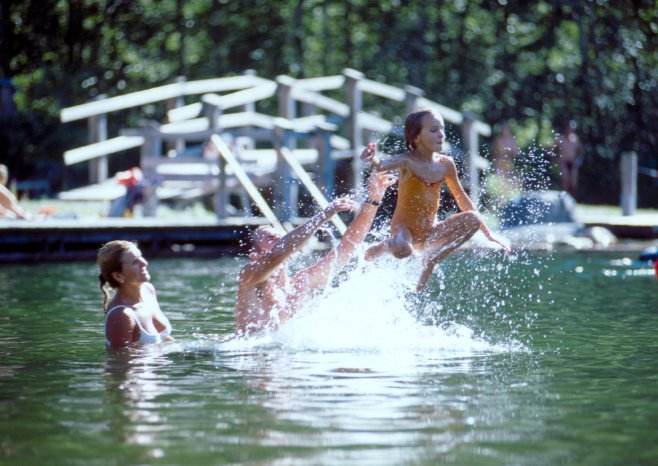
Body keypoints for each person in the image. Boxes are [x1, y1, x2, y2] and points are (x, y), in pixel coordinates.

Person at [361, 108, 509, 291]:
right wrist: (370, 159)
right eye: (433, 130)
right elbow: (380, 165)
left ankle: (431, 260)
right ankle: (384, 246)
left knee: (474, 219)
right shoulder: (407, 161)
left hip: (431, 232)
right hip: (404, 231)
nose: (441, 134)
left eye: (442, 129)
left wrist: (488, 234)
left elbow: (461, 197)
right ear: (416, 138)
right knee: (403, 250)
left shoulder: (446, 164)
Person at [235, 170, 396, 337]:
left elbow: (347, 248)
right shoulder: (250, 275)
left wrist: (373, 200)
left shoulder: (300, 284)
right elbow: (279, 253)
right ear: (255, 255)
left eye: (280, 235)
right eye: (269, 237)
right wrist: (324, 216)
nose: (278, 237)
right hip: (252, 358)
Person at [98, 240, 173, 348]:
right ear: (118, 276)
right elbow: (120, 360)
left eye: (140, 257)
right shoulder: (121, 315)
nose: (144, 263)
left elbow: (162, 339)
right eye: (135, 262)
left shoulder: (148, 290)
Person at [555, 123, 584, 197]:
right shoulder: (560, 139)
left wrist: (579, 160)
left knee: (573, 180)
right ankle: (564, 196)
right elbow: (554, 149)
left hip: (572, 162)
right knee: (565, 179)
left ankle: (572, 196)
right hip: (564, 161)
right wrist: (556, 159)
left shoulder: (575, 139)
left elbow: (580, 151)